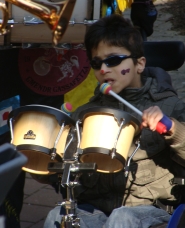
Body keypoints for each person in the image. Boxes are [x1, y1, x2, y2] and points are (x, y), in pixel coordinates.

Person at [43, 14, 185, 228]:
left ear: (139, 63)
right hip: (95, 208)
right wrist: (43, 160)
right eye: (96, 62)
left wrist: (173, 129)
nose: (103, 69)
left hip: (150, 211)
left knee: (121, 218)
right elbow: (65, 180)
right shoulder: (86, 114)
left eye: (113, 60)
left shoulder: (170, 107)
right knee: (57, 216)